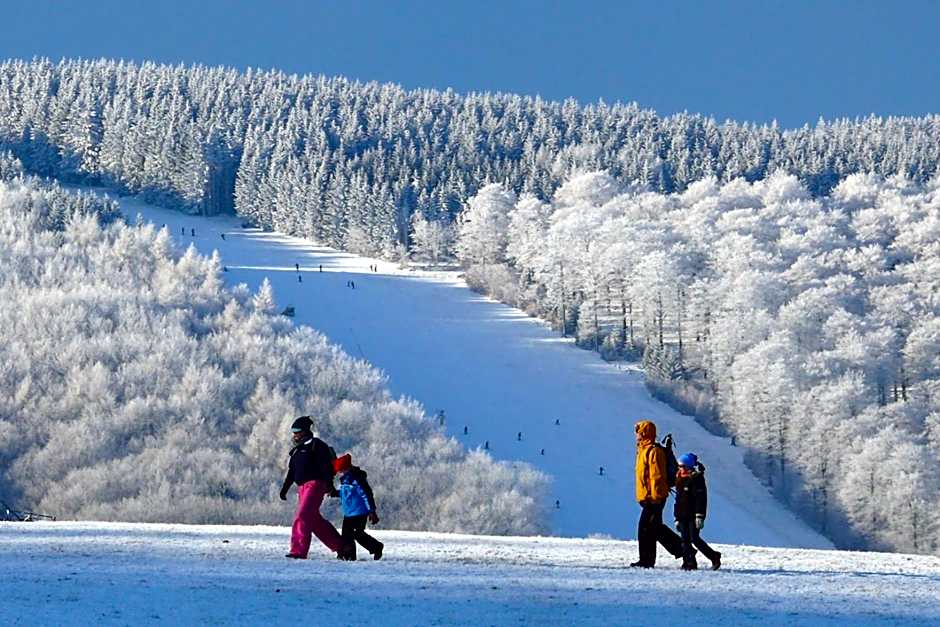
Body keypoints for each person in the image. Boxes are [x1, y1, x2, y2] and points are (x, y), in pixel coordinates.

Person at [279, 416, 348, 560]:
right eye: (293, 431)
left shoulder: (317, 445)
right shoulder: (296, 451)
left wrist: (328, 484)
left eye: (297, 431)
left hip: (315, 485)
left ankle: (298, 551)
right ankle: (341, 546)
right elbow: (292, 472)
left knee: (302, 515)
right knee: (314, 520)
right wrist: (285, 488)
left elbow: (325, 467)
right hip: (302, 488)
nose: (295, 434)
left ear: (305, 431)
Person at [631, 419, 684, 568]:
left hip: (655, 497)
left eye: (638, 432)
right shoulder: (643, 450)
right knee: (654, 528)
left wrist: (655, 497)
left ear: (644, 433)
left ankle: (647, 560)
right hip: (649, 497)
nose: (636, 436)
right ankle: (683, 550)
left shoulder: (654, 451)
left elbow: (657, 476)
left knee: (645, 528)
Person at [330, 453, 383, 561]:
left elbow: (366, 494)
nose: (340, 473)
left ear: (347, 468)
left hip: (359, 512)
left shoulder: (357, 479)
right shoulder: (345, 480)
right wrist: (335, 493)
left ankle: (375, 547)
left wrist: (371, 511)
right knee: (347, 535)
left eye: (341, 471)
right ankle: (348, 555)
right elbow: (346, 493)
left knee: (356, 534)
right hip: (348, 513)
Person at [674, 453, 721, 571]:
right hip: (682, 515)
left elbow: (701, 499)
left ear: (690, 466)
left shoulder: (696, 479)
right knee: (684, 539)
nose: (681, 468)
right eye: (679, 466)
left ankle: (714, 556)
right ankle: (689, 562)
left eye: (683, 466)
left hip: (693, 515)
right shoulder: (679, 478)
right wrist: (677, 517)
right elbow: (678, 500)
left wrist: (699, 516)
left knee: (694, 538)